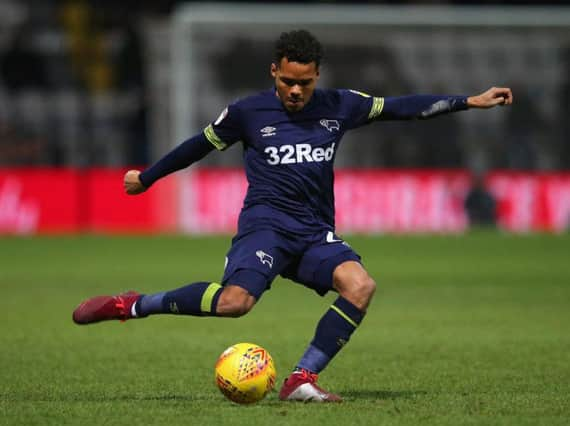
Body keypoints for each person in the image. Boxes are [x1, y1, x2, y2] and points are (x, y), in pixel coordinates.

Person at [73, 30, 513, 402]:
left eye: (303, 83)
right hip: (265, 226)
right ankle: (133, 305)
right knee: (234, 304)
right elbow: (197, 146)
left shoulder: (340, 105)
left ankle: (302, 379)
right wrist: (147, 178)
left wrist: (469, 101)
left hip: (313, 232)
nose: (296, 91)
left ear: (317, 76)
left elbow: (401, 107)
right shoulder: (248, 112)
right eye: (287, 82)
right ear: (274, 73)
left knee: (360, 286)